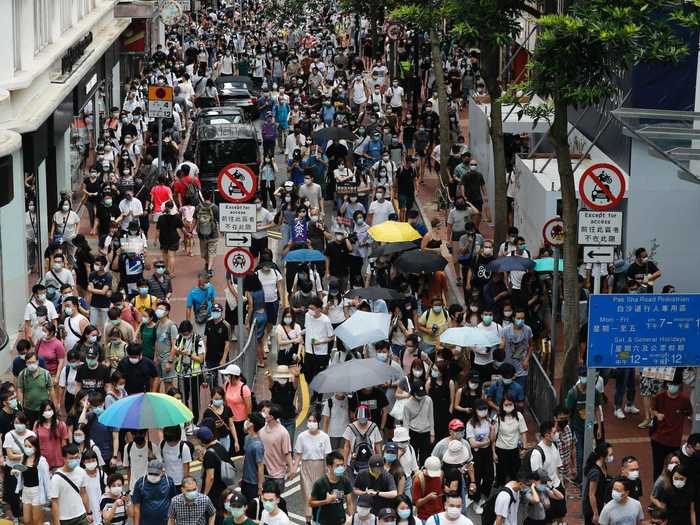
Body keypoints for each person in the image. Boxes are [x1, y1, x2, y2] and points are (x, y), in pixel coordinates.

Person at [293, 414, 332, 523]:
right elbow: (298, 455)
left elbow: (328, 457)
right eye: (309, 420)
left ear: (318, 422)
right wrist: (293, 469)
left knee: (320, 495)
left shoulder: (324, 437)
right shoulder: (301, 436)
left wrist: (330, 473)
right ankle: (308, 520)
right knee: (308, 495)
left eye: (314, 420)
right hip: (306, 468)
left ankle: (318, 519)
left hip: (320, 468)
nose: (311, 423)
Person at [650, 379, 692, 480]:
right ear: (667, 384)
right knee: (658, 468)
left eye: (675, 384)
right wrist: (657, 414)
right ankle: (657, 491)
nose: (673, 387)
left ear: (679, 386)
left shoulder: (684, 399)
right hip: (658, 439)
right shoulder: (660, 396)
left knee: (673, 468)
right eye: (671, 384)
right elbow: (652, 409)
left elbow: (688, 412)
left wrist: (679, 414)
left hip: (674, 441)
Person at [529, 420, 567, 523]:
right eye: (554, 432)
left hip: (557, 486)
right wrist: (545, 496)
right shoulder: (537, 453)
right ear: (547, 435)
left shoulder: (554, 445)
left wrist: (561, 483)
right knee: (548, 520)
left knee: (561, 514)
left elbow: (557, 467)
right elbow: (536, 479)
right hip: (547, 490)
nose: (557, 434)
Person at [309, 450, 354, 525]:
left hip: (341, 520)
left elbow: (349, 503)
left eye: (342, 465)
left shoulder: (345, 481)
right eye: (337, 465)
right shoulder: (320, 483)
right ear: (329, 466)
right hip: (323, 522)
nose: (341, 468)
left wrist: (351, 519)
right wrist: (326, 501)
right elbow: (311, 503)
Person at [50, 444, 91, 525]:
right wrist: (56, 522)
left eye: (76, 457)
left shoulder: (81, 472)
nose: (74, 460)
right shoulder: (56, 478)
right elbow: (54, 502)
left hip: (81, 515)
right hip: (65, 519)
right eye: (71, 458)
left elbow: (83, 493)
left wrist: (88, 513)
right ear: (64, 458)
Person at [197, 425, 230, 519]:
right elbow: (216, 463)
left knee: (213, 514)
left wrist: (205, 494)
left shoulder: (209, 454)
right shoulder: (220, 446)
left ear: (201, 440)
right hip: (223, 485)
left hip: (214, 490)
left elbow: (210, 477)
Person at [132, 459, 178, 525]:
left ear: (162, 471)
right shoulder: (140, 483)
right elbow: (136, 507)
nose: (153, 475)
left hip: (165, 521)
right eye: (151, 473)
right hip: (145, 522)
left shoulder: (168, 482)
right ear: (147, 470)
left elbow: (174, 503)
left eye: (156, 473)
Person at [259, 405, 293, 493]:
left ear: (271, 417)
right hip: (264, 473)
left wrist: (291, 469)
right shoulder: (261, 431)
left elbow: (287, 453)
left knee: (275, 501)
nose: (262, 414)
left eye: (265, 412)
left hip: (278, 476)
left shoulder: (283, 433)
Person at [17, 351, 55, 424]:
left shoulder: (45, 374)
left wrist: (54, 406)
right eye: (29, 362)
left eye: (33, 362)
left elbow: (51, 390)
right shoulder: (22, 375)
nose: (31, 364)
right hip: (28, 409)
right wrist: (20, 408)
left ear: (37, 362)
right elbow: (20, 391)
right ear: (26, 363)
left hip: (44, 409)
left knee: (44, 427)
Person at [582, 442, 614, 525]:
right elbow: (591, 494)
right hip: (592, 509)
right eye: (610, 455)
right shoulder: (595, 472)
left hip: (600, 503)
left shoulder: (603, 465)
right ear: (602, 456)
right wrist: (596, 514)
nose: (612, 457)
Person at [241, 412, 266, 502]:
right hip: (245, 481)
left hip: (253, 483)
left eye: (249, 420)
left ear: (252, 425)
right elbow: (247, 459)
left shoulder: (258, 445)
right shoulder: (247, 438)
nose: (246, 422)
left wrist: (260, 486)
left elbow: (260, 467)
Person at [412, 456, 444, 521]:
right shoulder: (419, 480)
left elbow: (440, 488)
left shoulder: (440, 474)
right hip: (424, 517)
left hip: (439, 514)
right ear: (425, 469)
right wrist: (428, 498)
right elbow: (417, 503)